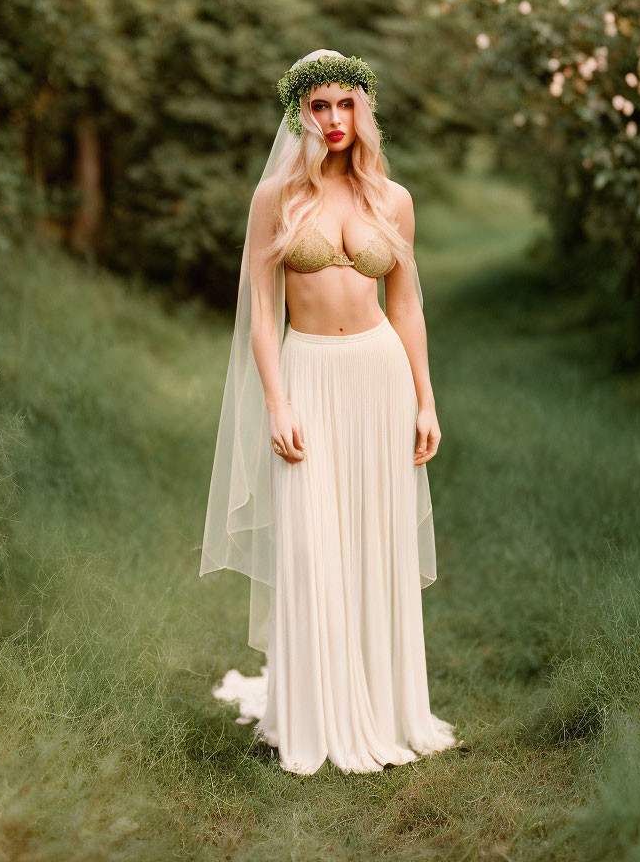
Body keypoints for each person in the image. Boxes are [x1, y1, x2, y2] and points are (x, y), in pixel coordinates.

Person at [198, 49, 462, 775]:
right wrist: (277, 401)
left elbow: (406, 307)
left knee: (375, 541)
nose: (335, 119)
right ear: (299, 114)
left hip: (381, 381)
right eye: (320, 106)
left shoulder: (394, 200)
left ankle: (386, 709)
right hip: (308, 377)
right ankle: (316, 717)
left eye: (347, 104)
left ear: (364, 109)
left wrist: (425, 397)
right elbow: (260, 316)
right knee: (314, 546)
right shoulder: (276, 201)